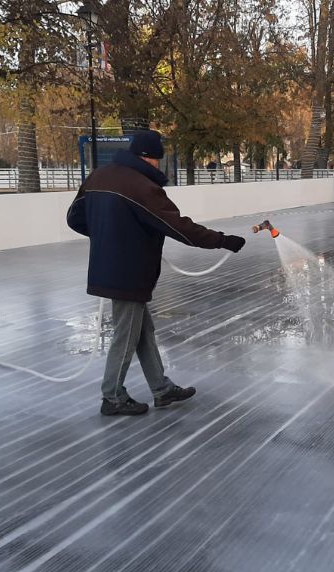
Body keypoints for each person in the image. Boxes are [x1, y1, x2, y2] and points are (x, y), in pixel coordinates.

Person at [66, 130, 247, 416]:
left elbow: (74, 218)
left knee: (143, 331)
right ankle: (112, 396)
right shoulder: (142, 187)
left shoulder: (98, 176)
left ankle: (161, 389)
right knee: (126, 334)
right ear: (149, 159)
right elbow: (179, 227)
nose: (158, 165)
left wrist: (106, 236)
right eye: (157, 159)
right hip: (129, 271)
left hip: (111, 267)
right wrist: (222, 240)